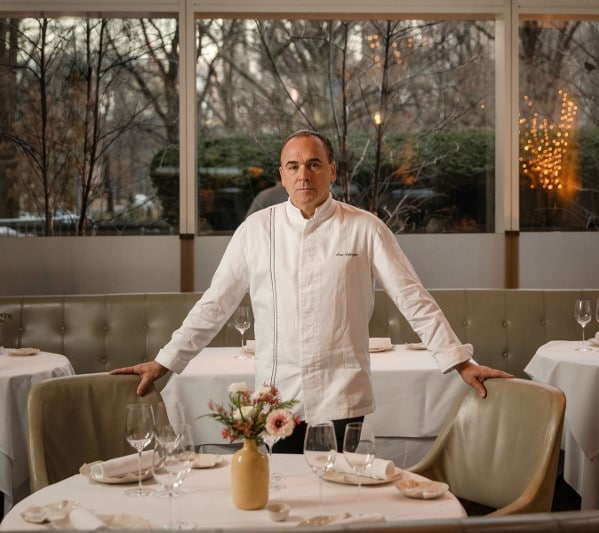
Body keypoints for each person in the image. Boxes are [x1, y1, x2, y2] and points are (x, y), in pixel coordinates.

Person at [112, 129, 513, 452]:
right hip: (276, 399)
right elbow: (215, 305)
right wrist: (164, 361)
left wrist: (461, 362)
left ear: (333, 171)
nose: (304, 174)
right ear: (282, 175)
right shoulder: (256, 230)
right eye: (294, 166)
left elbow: (413, 299)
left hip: (342, 395)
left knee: (337, 500)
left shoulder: (365, 227)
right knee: (285, 500)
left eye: (314, 164)